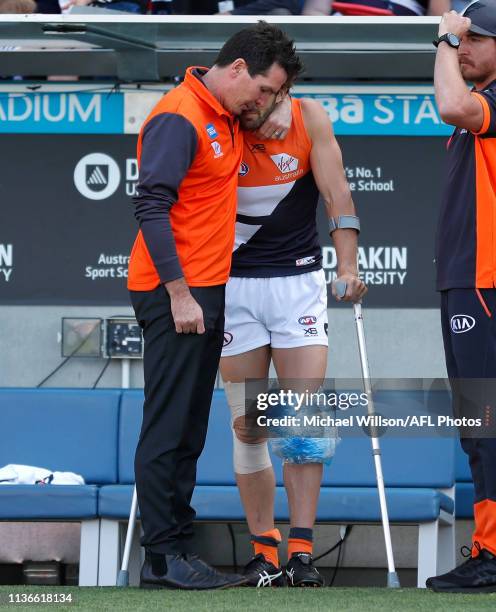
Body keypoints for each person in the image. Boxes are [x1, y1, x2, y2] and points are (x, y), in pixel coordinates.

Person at [127, 22, 302, 590]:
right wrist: (179, 293)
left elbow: (279, 104)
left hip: (205, 288)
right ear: (235, 70)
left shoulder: (223, 109)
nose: (264, 104)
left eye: (273, 96)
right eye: (262, 90)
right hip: (173, 289)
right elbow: (150, 204)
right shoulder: (181, 114)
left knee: (189, 428)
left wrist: (283, 101)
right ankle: (162, 557)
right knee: (168, 425)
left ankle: (177, 547)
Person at [220, 92, 366, 586]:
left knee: (302, 420)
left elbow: (337, 193)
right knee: (249, 424)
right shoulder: (218, 115)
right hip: (232, 283)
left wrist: (347, 265)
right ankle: (263, 550)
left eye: (275, 89)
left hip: (295, 282)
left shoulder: (310, 116)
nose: (260, 97)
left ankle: (302, 551)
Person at [427, 2, 496, 593]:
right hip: (469, 280)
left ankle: (492, 552)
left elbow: (450, 101)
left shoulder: (488, 102)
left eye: (477, 38)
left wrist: (442, 39)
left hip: (485, 282)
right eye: (462, 38)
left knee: (486, 421)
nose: (464, 46)